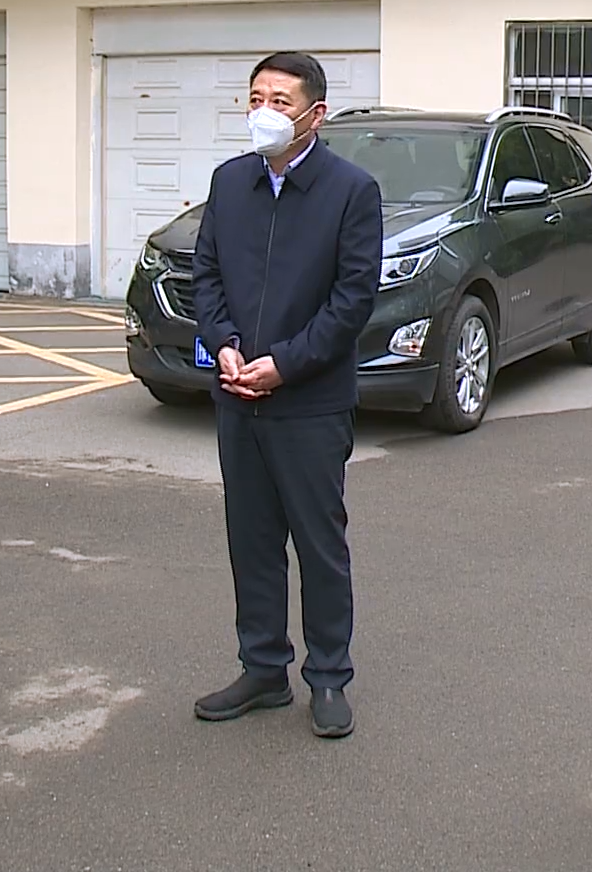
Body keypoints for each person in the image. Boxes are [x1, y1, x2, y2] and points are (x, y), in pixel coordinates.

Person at [190, 51, 382, 740]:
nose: (264, 113)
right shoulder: (230, 181)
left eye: (280, 101)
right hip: (237, 395)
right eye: (256, 98)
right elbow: (206, 274)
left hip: (309, 403)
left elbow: (352, 300)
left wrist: (285, 365)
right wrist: (225, 343)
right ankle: (263, 668)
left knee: (318, 545)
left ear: (315, 115)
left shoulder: (351, 191)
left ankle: (328, 675)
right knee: (251, 541)